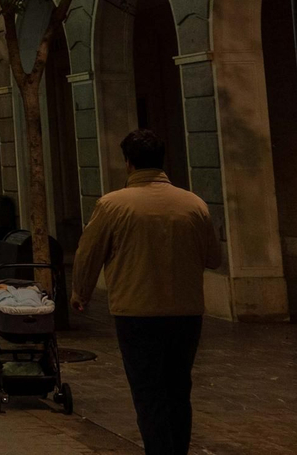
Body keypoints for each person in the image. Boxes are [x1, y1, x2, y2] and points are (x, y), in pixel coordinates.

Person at [71, 129, 222, 455]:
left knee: (148, 391)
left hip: (136, 312)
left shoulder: (111, 205)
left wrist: (80, 293)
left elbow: (88, 253)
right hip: (186, 312)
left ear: (129, 163)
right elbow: (213, 257)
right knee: (179, 389)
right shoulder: (193, 204)